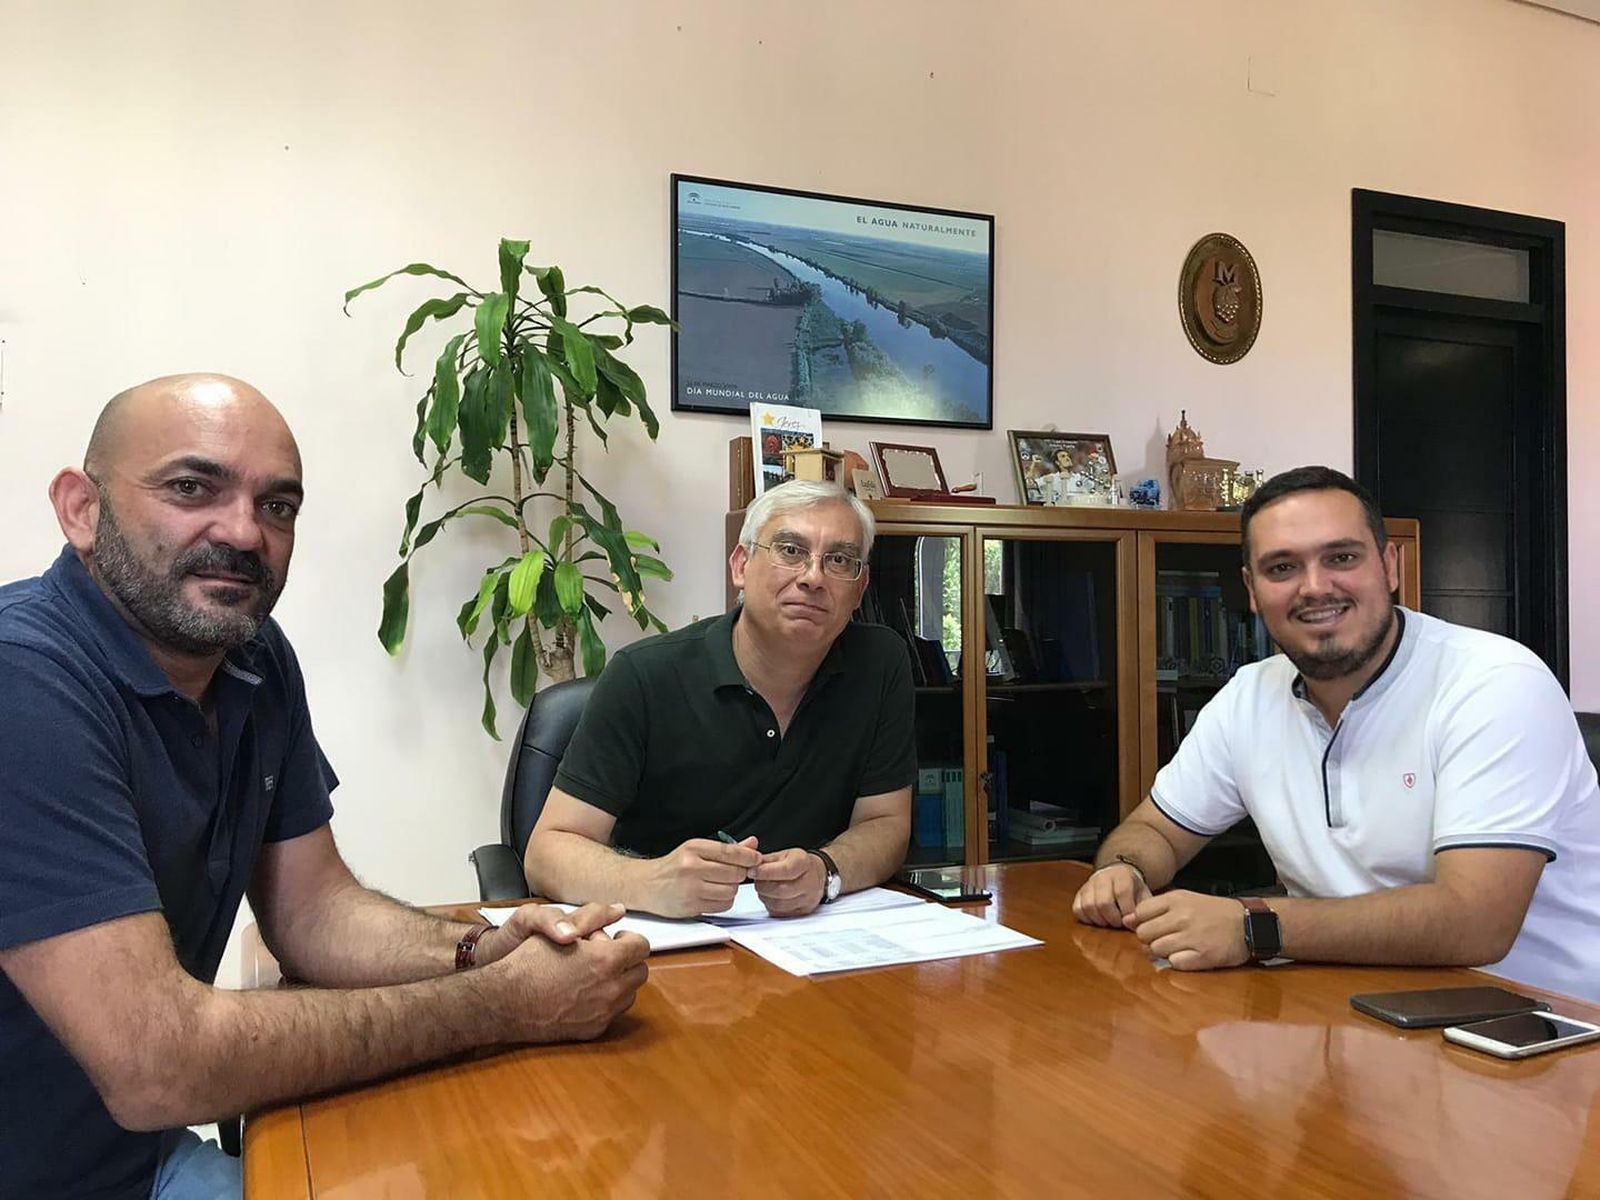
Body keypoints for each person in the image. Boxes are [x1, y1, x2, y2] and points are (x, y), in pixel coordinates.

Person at [0, 375, 649, 1200]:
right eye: (192, 488)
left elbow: (313, 911)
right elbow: (157, 1063)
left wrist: (479, 950)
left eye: (277, 506)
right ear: (82, 509)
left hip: (134, 1158)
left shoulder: (254, 659)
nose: (244, 532)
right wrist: (502, 1003)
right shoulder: (24, 681)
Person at [1072, 466, 1599, 1001]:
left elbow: (1476, 921)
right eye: (1282, 567)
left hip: (1542, 1021)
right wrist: (1126, 870)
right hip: (1350, 1003)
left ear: (1389, 566)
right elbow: (1156, 831)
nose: (1315, 587)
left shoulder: (1495, 683)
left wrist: (1254, 927)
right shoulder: (1248, 696)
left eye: (1341, 558)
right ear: (1252, 590)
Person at [525, 480, 916, 919]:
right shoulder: (644, 675)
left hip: (810, 936)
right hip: (665, 938)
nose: (813, 577)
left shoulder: (880, 663)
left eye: (839, 560)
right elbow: (547, 852)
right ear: (741, 566)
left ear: (860, 590)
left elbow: (886, 823)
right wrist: (651, 881)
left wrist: (827, 871)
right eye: (791, 551)